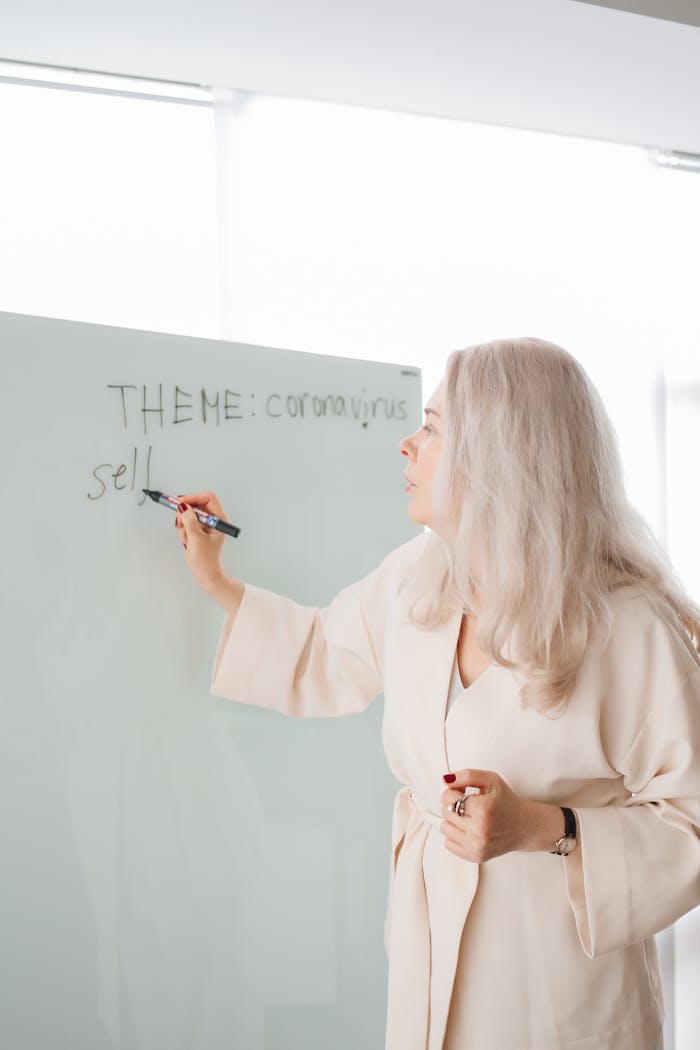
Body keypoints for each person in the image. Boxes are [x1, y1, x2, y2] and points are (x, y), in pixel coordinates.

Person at [174, 337, 700, 1050]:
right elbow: (327, 649)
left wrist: (547, 828)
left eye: (430, 428)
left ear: (496, 459)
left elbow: (690, 823)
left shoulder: (627, 624)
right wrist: (217, 582)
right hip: (428, 952)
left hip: (560, 984)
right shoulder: (416, 577)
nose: (405, 444)